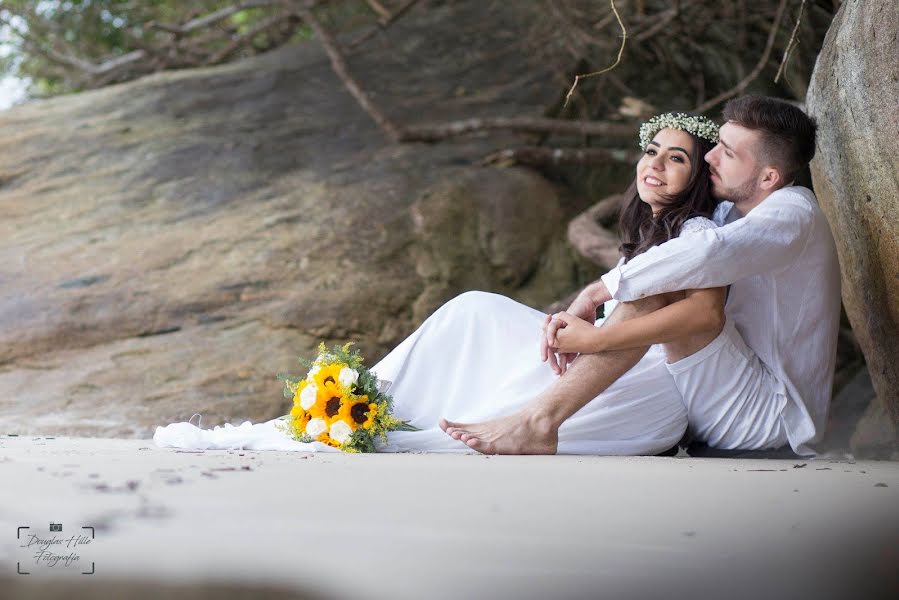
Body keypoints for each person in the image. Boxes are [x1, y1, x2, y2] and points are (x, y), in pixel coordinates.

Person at [154, 113, 729, 455]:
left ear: (698, 175)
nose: (654, 163)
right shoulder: (653, 224)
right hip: (603, 360)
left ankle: (356, 414)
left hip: (642, 387)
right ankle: (349, 406)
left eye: (676, 158)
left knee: (475, 314)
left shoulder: (699, 233)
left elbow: (698, 316)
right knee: (472, 314)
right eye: (651, 150)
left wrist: (588, 336)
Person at [443, 96, 840, 457]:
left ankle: (538, 422)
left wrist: (599, 301)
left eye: (728, 153)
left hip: (769, 416)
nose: (711, 158)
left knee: (653, 293)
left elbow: (705, 257)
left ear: (769, 178)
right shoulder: (730, 212)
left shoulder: (793, 212)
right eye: (716, 144)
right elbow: (679, 256)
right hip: (722, 385)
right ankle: (524, 413)